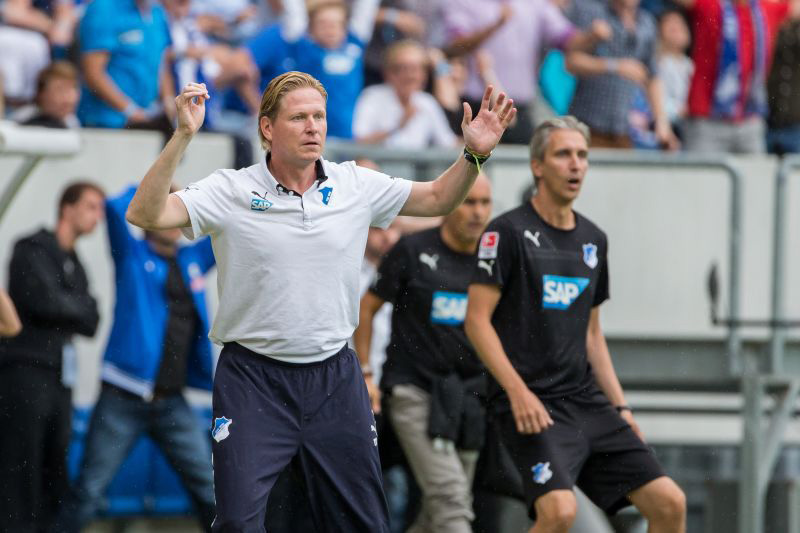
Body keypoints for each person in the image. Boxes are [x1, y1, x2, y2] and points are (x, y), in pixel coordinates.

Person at [123, 70, 515, 531]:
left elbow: (438, 199)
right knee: (237, 524)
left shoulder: (354, 184)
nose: (313, 127)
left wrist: (474, 154)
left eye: (319, 117)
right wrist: (183, 136)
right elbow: (144, 213)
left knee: (364, 524)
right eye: (299, 118)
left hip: (334, 376)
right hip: (252, 379)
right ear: (267, 127)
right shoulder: (230, 189)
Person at [464, 117, 686, 532]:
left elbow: (592, 335)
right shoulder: (506, 232)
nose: (576, 164)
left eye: (582, 155)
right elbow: (476, 321)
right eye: (564, 154)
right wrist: (518, 392)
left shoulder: (593, 240)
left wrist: (621, 407)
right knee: (559, 512)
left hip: (586, 400)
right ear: (537, 166)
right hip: (532, 404)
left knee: (670, 503)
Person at [53, 185, 217, 533]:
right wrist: (157, 184)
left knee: (211, 491)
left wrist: (191, 197)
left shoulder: (192, 260)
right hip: (121, 398)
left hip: (172, 401)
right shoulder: (131, 253)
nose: (173, 218)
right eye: (165, 210)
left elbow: (225, 226)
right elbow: (114, 207)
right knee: (89, 491)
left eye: (177, 211)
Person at [354, 174, 492, 533]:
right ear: (449, 204)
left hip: (469, 395)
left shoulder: (494, 258)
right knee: (451, 500)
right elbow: (366, 308)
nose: (478, 213)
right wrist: (365, 372)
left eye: (485, 203)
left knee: (441, 510)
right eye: (468, 202)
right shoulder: (412, 250)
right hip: (413, 391)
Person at [0, 182, 104, 532]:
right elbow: (41, 300)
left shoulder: (77, 264)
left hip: (60, 379)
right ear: (67, 208)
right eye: (91, 206)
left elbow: (92, 320)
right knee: (21, 464)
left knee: (54, 464)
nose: (97, 216)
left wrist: (64, 304)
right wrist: (72, 306)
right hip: (24, 375)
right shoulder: (30, 248)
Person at [442, 0, 612, 144]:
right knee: (472, 170)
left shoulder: (536, 4)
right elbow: (455, 46)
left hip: (520, 110)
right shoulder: (463, 2)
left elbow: (568, 41)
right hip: (476, 108)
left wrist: (592, 36)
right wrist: (495, 26)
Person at [675, 0, 788, 153]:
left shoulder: (764, 10)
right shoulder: (709, 6)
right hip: (707, 123)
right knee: (702, 170)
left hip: (750, 124)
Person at [565, 0, 679, 149]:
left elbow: (652, 76)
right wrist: (614, 66)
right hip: (587, 127)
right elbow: (571, 62)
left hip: (623, 130)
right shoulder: (592, 12)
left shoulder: (647, 23)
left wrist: (661, 122)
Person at [77, 0, 175, 130]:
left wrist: (169, 104)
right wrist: (131, 111)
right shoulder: (103, 8)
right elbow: (93, 72)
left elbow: (162, 65)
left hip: (146, 122)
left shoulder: (157, 12)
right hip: (106, 123)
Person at [353, 39, 457, 148]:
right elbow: (359, 141)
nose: (410, 75)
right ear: (388, 72)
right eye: (403, 68)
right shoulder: (372, 96)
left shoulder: (427, 102)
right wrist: (397, 126)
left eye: (416, 69)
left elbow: (449, 143)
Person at [13, 60, 80, 128]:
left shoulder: (72, 122)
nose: (68, 97)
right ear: (42, 94)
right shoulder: (22, 120)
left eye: (73, 88)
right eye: (60, 89)